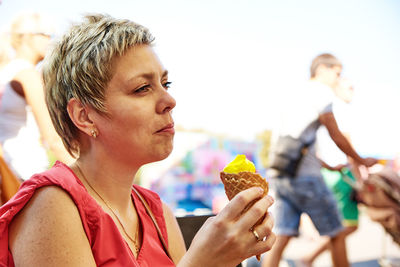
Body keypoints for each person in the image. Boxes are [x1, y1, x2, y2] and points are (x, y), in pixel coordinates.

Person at [0, 14, 276, 266]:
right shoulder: (53, 205)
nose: (169, 100)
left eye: (165, 84)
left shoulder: (159, 214)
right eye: (142, 88)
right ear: (84, 116)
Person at [262, 53, 377, 267]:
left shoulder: (293, 93)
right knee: (337, 233)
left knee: (283, 235)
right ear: (322, 69)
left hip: (281, 175)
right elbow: (335, 133)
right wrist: (360, 160)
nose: (337, 79)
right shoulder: (320, 92)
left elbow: (298, 143)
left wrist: (327, 166)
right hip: (306, 179)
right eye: (337, 73)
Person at [0, 12, 73, 181]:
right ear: (28, 37)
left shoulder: (6, 72)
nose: (50, 41)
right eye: (46, 35)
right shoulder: (28, 76)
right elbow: (53, 138)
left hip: (8, 170)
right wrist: (91, 178)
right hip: (25, 171)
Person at [298, 77, 362, 266]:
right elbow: (346, 147)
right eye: (349, 86)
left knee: (339, 229)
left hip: (328, 172)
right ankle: (309, 258)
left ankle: (310, 258)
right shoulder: (338, 110)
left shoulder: (325, 107)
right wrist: (359, 178)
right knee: (344, 227)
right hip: (340, 175)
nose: (352, 90)